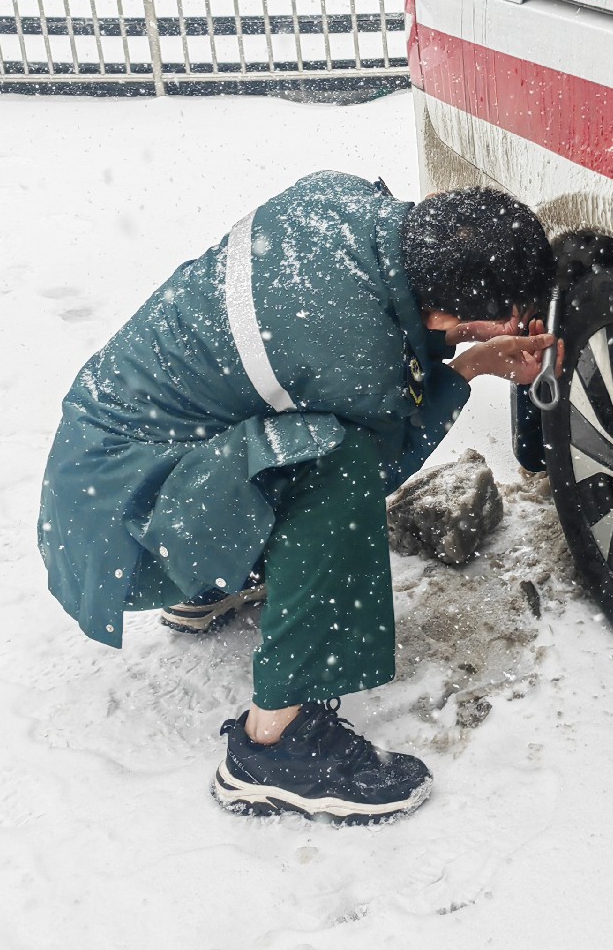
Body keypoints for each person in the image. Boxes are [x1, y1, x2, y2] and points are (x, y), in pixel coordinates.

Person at [36, 173, 555, 822]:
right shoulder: (350, 352)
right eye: (482, 323)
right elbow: (376, 468)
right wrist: (471, 366)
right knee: (336, 463)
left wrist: (462, 339)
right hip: (127, 535)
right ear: (443, 314)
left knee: (298, 435)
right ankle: (272, 745)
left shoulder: (339, 201)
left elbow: (324, 346)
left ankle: (216, 582)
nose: (485, 332)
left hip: (102, 487)